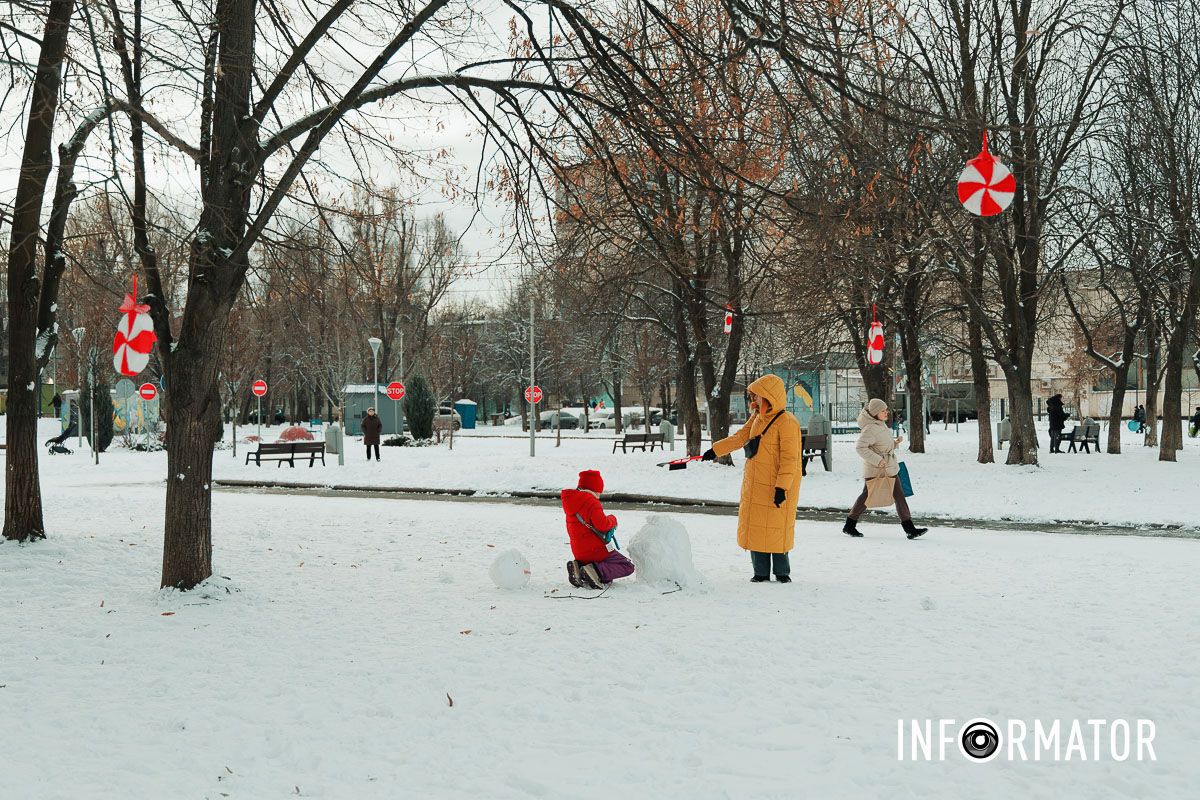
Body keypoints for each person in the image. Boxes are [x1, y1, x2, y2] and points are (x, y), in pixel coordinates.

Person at [701, 374, 801, 583]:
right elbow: (740, 437)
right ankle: (760, 571)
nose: (753, 401)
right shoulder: (756, 418)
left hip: (776, 485)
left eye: (757, 397)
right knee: (756, 527)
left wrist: (781, 487)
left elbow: (790, 459)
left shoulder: (787, 422)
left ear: (768, 397)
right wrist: (716, 450)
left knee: (777, 527)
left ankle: (782, 572)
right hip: (755, 484)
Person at [843, 398, 927, 539]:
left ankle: (910, 529)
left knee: (899, 496)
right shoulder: (870, 428)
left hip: (889, 467)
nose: (886, 412)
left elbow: (880, 445)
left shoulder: (880, 424)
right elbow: (860, 448)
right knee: (867, 497)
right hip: (878, 470)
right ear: (875, 413)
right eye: (883, 410)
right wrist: (878, 460)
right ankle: (849, 525)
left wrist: (894, 443)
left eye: (886, 409)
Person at [560, 470, 634, 589]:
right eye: (599, 491)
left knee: (607, 575)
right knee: (626, 566)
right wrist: (613, 519)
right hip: (595, 550)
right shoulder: (591, 502)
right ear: (595, 488)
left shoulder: (571, 501)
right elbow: (603, 525)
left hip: (578, 551)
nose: (600, 494)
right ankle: (594, 570)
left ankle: (579, 567)